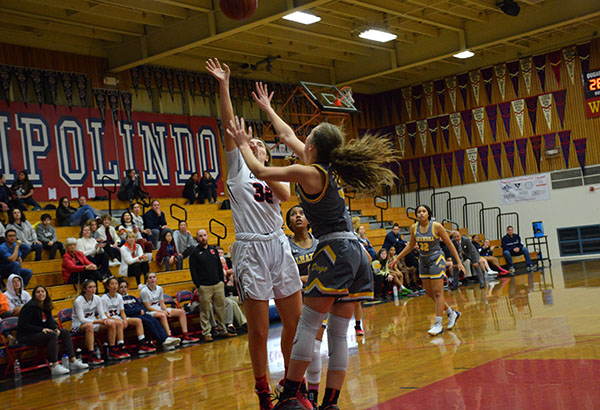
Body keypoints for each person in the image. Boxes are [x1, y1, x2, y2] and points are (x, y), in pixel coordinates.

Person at [226, 81, 397, 409]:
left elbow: (260, 169)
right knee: (337, 333)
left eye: (307, 139)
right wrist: (268, 109)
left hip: (335, 250)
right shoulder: (326, 166)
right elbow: (288, 134)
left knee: (308, 324)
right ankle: (330, 402)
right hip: (356, 252)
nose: (299, 141)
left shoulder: (309, 171)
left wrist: (244, 144)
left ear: (314, 147)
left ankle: (290, 393)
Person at [207, 58, 304, 410]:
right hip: (251, 249)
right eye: (254, 145)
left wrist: (263, 165)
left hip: (278, 243)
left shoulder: (271, 175)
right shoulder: (237, 170)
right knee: (260, 330)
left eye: (263, 146)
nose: (258, 147)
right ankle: (263, 390)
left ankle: (294, 385)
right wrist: (224, 85)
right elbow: (229, 125)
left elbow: (286, 197)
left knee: (296, 322)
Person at [391, 205, 465, 337]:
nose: (421, 214)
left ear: (428, 214)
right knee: (430, 293)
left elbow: (449, 244)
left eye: (423, 211)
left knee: (438, 292)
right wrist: (397, 258)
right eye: (418, 212)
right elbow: (411, 246)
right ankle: (450, 313)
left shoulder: (436, 226)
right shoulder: (414, 228)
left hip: (436, 258)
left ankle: (438, 324)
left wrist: (459, 262)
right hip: (423, 260)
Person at [284, 204, 322, 408]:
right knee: (302, 349)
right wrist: (308, 277)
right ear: (289, 221)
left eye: (301, 213)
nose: (298, 216)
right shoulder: (286, 246)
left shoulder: (319, 243)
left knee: (315, 349)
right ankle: (300, 389)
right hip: (297, 301)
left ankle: (313, 397)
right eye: (293, 214)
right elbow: (286, 277)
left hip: (320, 298)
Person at [17, 286, 89, 375]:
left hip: (41, 332)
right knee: (52, 335)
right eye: (38, 292)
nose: (40, 294)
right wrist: (41, 329)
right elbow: (24, 325)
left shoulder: (46, 305)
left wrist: (55, 328)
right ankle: (55, 365)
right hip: (27, 335)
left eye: (42, 291)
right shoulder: (29, 307)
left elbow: (50, 320)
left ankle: (73, 360)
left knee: (64, 332)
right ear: (34, 295)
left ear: (46, 294)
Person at [189, 229, 235, 341]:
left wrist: (221, 281)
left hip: (217, 284)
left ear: (207, 236)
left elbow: (219, 266)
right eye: (200, 236)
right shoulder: (195, 253)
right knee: (205, 310)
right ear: (197, 238)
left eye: (204, 235)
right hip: (204, 286)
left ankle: (223, 330)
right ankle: (207, 333)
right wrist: (198, 285)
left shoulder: (213, 250)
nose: (203, 238)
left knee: (220, 309)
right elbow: (193, 271)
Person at [72, 279, 128, 364]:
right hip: (78, 325)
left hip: (93, 322)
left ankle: (112, 350)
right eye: (90, 287)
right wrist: (99, 322)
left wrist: (105, 320)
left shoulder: (97, 298)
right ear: (84, 289)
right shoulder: (79, 301)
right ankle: (91, 354)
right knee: (89, 326)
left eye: (94, 287)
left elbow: (102, 314)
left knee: (111, 323)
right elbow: (82, 320)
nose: (93, 289)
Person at [117, 278, 181, 350]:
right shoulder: (119, 299)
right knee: (148, 322)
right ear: (118, 288)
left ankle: (166, 338)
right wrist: (138, 311)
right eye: (121, 287)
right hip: (133, 316)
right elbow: (125, 311)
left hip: (141, 313)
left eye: (125, 287)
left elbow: (142, 306)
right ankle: (162, 340)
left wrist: (141, 310)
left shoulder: (132, 297)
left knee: (154, 320)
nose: (123, 289)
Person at [139, 272, 198, 344]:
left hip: (159, 308)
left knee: (181, 312)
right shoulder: (144, 291)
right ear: (146, 280)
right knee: (163, 315)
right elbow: (148, 307)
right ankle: (169, 336)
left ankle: (185, 335)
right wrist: (162, 312)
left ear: (157, 279)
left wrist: (166, 310)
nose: (152, 279)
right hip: (150, 311)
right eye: (150, 278)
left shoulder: (159, 288)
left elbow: (162, 303)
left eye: (154, 277)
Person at [101, 277, 154, 356]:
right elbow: (104, 315)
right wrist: (118, 320)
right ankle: (121, 346)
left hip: (119, 318)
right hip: (109, 319)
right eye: (112, 284)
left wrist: (125, 320)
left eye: (116, 284)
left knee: (138, 321)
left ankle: (142, 344)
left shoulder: (119, 297)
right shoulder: (104, 298)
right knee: (119, 323)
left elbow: (122, 312)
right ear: (108, 287)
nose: (114, 286)